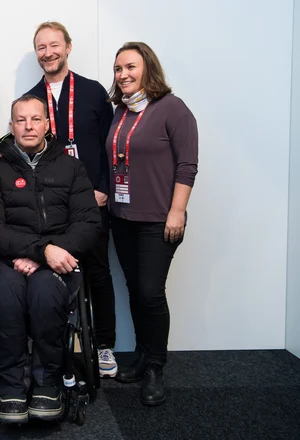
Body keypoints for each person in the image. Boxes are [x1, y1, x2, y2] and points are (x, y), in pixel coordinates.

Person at [0, 95, 100, 423]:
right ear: (11, 126)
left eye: (35, 119)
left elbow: (89, 223)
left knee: (45, 291)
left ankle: (47, 381)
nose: (28, 126)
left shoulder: (72, 166)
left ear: (47, 124)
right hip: (4, 261)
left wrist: (47, 255)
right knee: (5, 291)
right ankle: (10, 385)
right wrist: (37, 250)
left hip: (58, 259)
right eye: (21, 120)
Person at [107, 42, 198, 406]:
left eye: (130, 67)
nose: (124, 75)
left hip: (159, 221)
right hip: (122, 218)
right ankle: (143, 357)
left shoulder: (173, 109)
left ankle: (156, 367)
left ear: (148, 69)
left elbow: (187, 165)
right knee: (134, 290)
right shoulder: (120, 112)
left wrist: (177, 211)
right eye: (118, 69)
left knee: (150, 293)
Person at [25, 22, 118, 378]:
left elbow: (113, 146)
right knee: (55, 277)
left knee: (98, 272)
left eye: (54, 45)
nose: (47, 52)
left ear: (68, 47)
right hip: (52, 208)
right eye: (41, 47)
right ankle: (58, 350)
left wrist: (104, 186)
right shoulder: (33, 97)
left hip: (92, 202)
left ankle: (104, 345)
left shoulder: (94, 93)